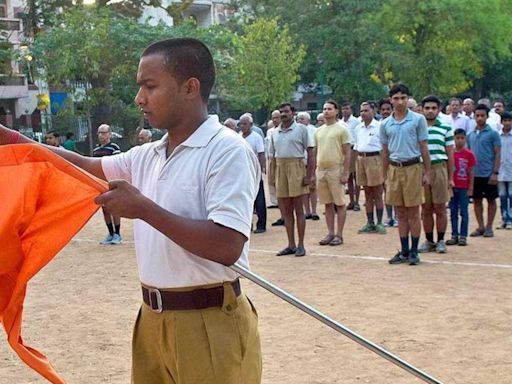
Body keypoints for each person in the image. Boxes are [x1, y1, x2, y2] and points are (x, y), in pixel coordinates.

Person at [0, 37, 262, 384]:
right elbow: (85, 166)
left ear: (190, 88)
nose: (140, 98)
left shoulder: (226, 150)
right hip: (152, 318)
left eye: (150, 86)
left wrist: (144, 209)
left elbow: (228, 245)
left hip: (209, 320)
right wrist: (12, 139)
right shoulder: (148, 153)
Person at [380, 83, 431, 266]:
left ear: (408, 98)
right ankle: (404, 250)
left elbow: (424, 147)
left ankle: (415, 251)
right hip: (394, 168)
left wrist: (427, 171)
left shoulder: (418, 120)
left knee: (414, 212)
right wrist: (384, 176)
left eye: (403, 98)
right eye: (396, 98)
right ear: (391, 100)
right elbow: (385, 151)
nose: (400, 102)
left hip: (412, 168)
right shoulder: (385, 124)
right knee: (400, 212)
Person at [270, 102, 315, 256]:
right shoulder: (274, 132)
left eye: (286, 112)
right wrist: (273, 176)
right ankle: (291, 244)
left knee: (298, 209)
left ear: (293, 113)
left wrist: (309, 175)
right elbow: (272, 156)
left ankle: (301, 244)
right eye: (281, 112)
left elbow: (310, 152)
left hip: (296, 166)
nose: (283, 114)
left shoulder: (302, 129)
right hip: (281, 168)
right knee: (285, 210)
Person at [418, 96, 454, 254]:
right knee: (425, 207)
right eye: (427, 108)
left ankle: (440, 240)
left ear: (439, 109)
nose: (430, 111)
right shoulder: (418, 127)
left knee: (440, 207)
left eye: (433, 108)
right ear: (422, 109)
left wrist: (450, 177)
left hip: (440, 168)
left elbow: (450, 154)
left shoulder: (445, 128)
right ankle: (429, 240)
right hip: (421, 169)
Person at [315, 100, 351, 246]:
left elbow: (347, 151)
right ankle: (330, 233)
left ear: (336, 111)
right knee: (327, 204)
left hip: (336, 169)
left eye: (329, 109)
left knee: (340, 203)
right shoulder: (318, 131)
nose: (326, 111)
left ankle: (339, 234)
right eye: (324, 109)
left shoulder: (342, 129)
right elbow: (317, 151)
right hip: (321, 170)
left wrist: (346, 172)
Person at [467, 104, 501, 238]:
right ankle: (480, 226)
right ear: (474, 117)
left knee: (491, 200)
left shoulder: (493, 134)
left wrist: (495, 172)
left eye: (482, 115)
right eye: (477, 116)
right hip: (475, 173)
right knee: (477, 200)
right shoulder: (470, 135)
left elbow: (497, 153)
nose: (480, 118)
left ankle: (489, 226)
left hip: (488, 173)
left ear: (487, 117)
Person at [354, 101, 386, 234]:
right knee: (367, 193)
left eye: (366, 111)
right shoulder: (358, 128)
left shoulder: (379, 127)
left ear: (373, 111)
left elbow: (384, 148)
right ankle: (370, 222)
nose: (363, 114)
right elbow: (355, 146)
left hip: (375, 159)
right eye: (361, 111)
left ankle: (379, 222)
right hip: (361, 159)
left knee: (377, 192)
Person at [93, 124, 123, 245]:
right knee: (105, 210)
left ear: (109, 134)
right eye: (99, 133)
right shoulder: (95, 150)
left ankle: (117, 234)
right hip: (100, 184)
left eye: (104, 133)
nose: (101, 135)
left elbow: (117, 164)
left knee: (114, 208)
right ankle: (110, 233)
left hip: (111, 182)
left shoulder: (114, 148)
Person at [446, 129, 476, 246]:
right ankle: (454, 235)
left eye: (462, 138)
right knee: (453, 211)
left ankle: (463, 236)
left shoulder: (469, 154)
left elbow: (471, 171)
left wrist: (471, 187)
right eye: (457, 138)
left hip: (464, 186)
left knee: (464, 212)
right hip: (452, 186)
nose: (460, 140)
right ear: (454, 139)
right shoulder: (451, 154)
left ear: (465, 139)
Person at [239, 114, 267, 233]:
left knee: (259, 199)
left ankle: (261, 225)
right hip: (242, 173)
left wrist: (260, 170)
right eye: (241, 124)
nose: (242, 126)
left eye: (245, 124)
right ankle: (247, 224)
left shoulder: (256, 137)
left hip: (254, 171)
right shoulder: (238, 137)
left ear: (251, 125)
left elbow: (261, 154)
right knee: (245, 199)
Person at [296, 111, 319, 221]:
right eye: (298, 119)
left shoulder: (314, 131)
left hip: (312, 162)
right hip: (300, 164)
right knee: (303, 189)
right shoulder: (295, 130)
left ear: (308, 121)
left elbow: (316, 148)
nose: (300, 121)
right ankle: (307, 211)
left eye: (302, 118)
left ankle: (314, 211)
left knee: (313, 188)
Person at [379, 98, 398, 227]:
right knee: (387, 190)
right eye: (383, 109)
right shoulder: (379, 125)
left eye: (388, 109)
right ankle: (389, 216)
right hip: (381, 160)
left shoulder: (395, 124)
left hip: (395, 160)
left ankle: (397, 217)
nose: (385, 111)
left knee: (396, 190)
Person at [341, 101, 361, 211]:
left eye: (347, 108)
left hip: (354, 149)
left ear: (351, 110)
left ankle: (357, 201)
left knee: (356, 176)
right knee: (348, 177)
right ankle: (351, 201)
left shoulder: (356, 122)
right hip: (344, 150)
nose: (345, 111)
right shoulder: (340, 122)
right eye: (343, 109)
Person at [497, 111, 512, 229]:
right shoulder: (497, 136)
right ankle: (504, 218)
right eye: (505, 121)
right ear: (501, 122)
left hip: (511, 169)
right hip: (500, 170)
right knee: (502, 195)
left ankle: (510, 219)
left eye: (509, 120)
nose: (507, 123)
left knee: (511, 195)